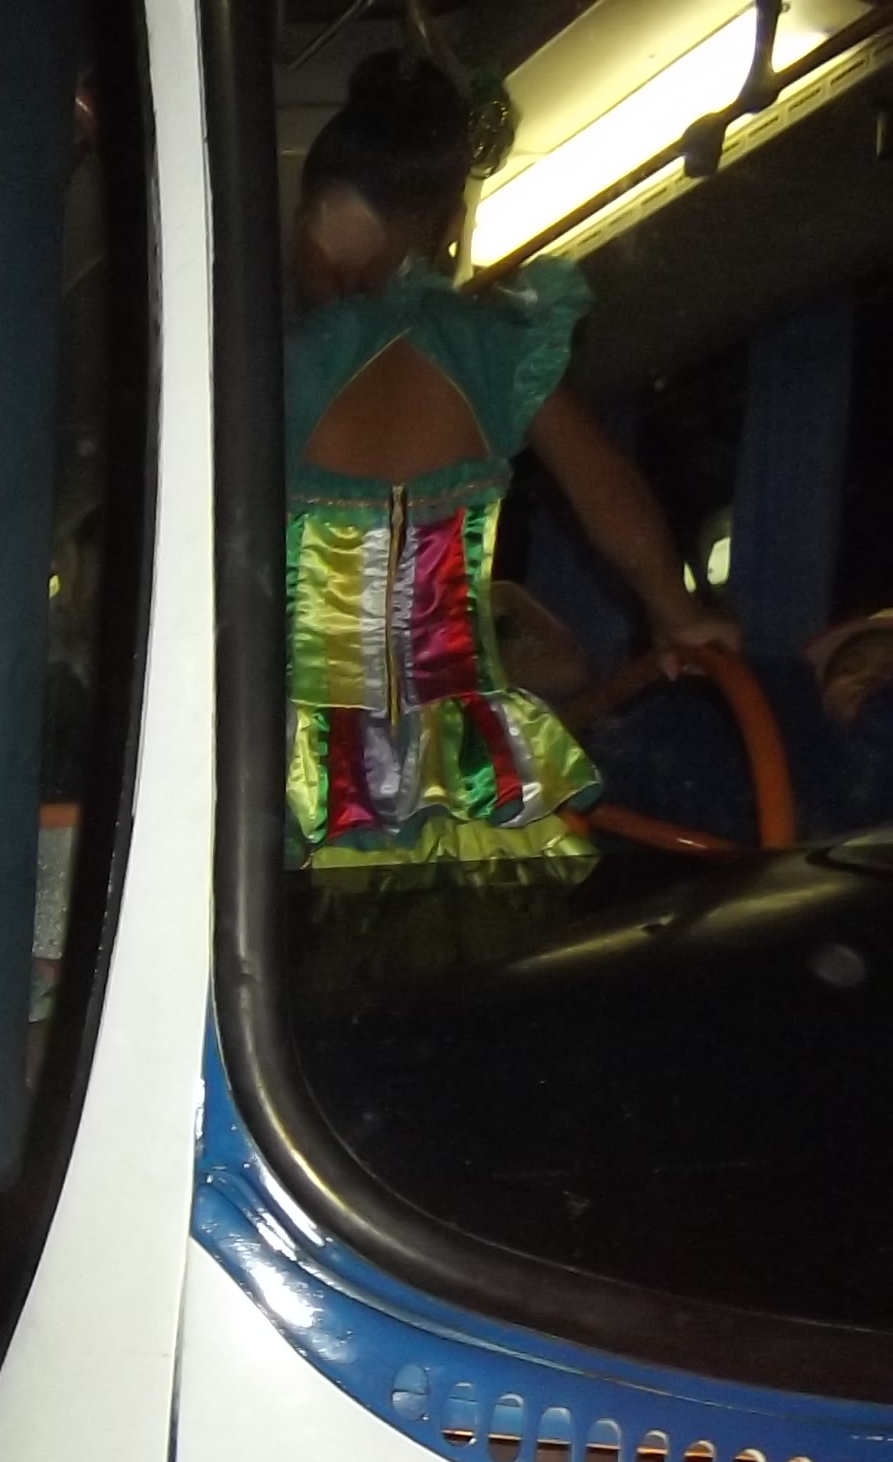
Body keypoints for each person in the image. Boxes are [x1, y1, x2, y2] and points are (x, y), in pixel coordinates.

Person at [282, 52, 726, 899]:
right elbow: (609, 492)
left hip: (306, 766)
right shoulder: (489, 349)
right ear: (450, 225)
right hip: (464, 761)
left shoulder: (278, 372)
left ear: (322, 222)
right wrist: (678, 616)